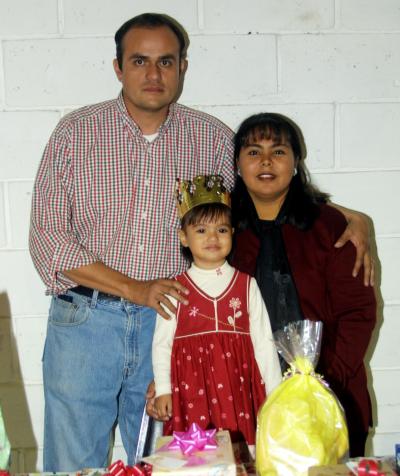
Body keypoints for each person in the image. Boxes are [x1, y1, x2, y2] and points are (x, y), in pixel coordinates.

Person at [29, 11, 371, 471]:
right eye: (140, 61)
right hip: (85, 321)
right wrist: (135, 290)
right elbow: (48, 238)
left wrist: (350, 216)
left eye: (166, 62)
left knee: (170, 461)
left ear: (183, 67)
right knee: (73, 462)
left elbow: (263, 193)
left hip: (173, 327)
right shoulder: (76, 133)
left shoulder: (210, 139)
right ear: (117, 68)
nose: (154, 74)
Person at [229, 112, 377, 456]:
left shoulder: (330, 226)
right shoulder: (220, 229)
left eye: (278, 151)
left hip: (328, 395)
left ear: (296, 162)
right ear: (237, 163)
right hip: (243, 396)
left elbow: (358, 313)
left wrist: (322, 386)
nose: (266, 160)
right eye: (253, 152)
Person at [152, 175, 281, 450]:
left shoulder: (247, 285)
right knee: (196, 459)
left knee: (243, 455)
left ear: (232, 233)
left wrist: (275, 394)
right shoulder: (175, 288)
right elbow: (162, 344)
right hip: (190, 394)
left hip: (239, 390)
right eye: (201, 231)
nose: (212, 237)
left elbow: (264, 342)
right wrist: (163, 389)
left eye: (221, 230)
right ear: (183, 237)